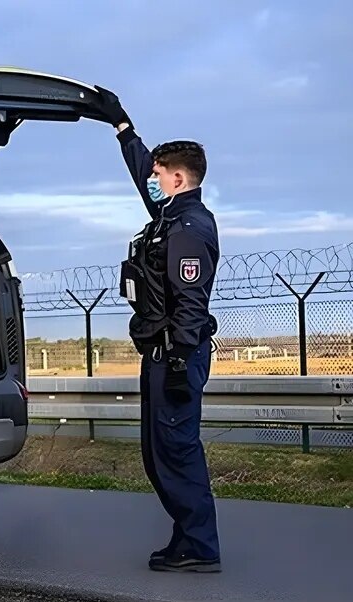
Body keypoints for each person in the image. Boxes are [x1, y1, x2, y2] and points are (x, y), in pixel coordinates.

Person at [96, 87, 222, 573]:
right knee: (158, 453)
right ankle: (186, 536)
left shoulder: (188, 227)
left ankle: (201, 545)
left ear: (176, 178)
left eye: (156, 174)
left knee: (176, 449)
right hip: (164, 352)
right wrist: (122, 127)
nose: (149, 178)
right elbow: (139, 170)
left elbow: (190, 303)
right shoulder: (170, 216)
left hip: (177, 355)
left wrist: (175, 360)